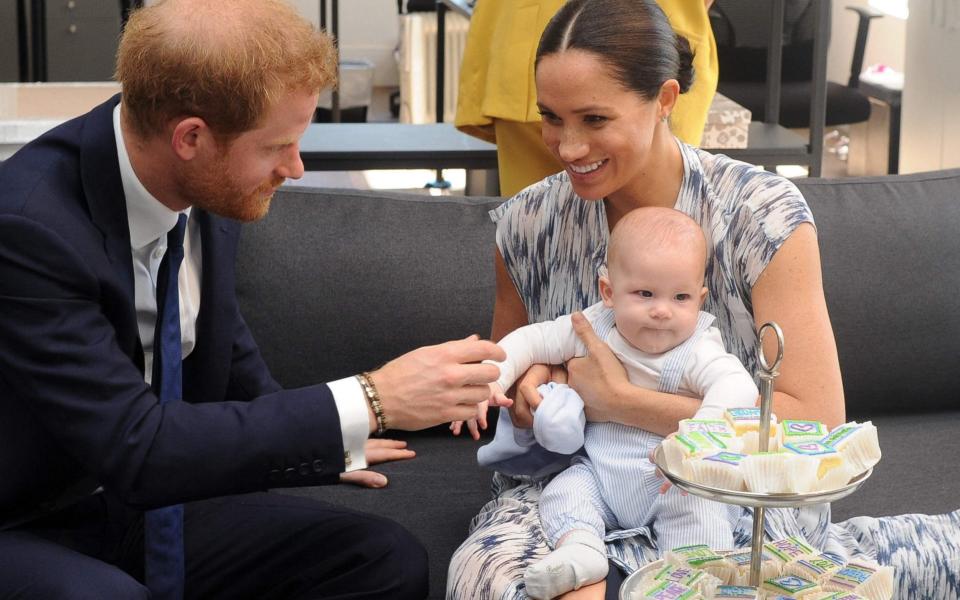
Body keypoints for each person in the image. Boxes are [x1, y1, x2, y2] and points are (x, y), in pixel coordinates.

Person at [446, 1, 960, 599]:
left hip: (731, 498)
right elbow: (506, 381)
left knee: (724, 574)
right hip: (575, 491)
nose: (566, 146)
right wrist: (529, 388)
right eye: (551, 117)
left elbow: (815, 422)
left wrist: (621, 401)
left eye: (593, 119)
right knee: (504, 584)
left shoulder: (760, 214)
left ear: (665, 99)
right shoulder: (526, 224)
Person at [0, 1, 507, 599]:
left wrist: (324, 440)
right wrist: (371, 398)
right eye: (277, 148)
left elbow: (218, 338)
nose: (294, 169)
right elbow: (137, 446)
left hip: (136, 504)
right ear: (191, 136)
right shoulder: (29, 227)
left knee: (380, 558)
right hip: (27, 516)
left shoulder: (199, 185)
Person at [469, 207, 759, 599]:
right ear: (608, 292)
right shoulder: (593, 328)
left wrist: (698, 440)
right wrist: (493, 379)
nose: (662, 310)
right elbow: (531, 340)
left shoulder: (696, 348)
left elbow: (737, 386)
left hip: (670, 481)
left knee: (701, 514)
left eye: (681, 297)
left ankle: (692, 580)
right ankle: (582, 549)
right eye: (645, 294)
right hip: (600, 475)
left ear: (700, 298)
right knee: (565, 491)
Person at [455, 0, 719, 197]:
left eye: (595, 119)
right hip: (535, 48)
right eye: (551, 116)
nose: (572, 148)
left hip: (642, 56)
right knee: (537, 229)